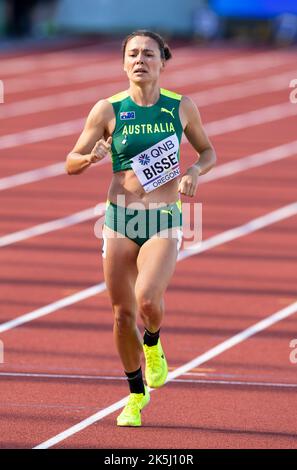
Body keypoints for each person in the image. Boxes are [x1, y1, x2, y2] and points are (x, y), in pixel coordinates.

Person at [65, 30, 216, 427]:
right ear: (123, 62)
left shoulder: (180, 107)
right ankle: (135, 396)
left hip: (163, 217)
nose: (140, 60)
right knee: (120, 315)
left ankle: (153, 344)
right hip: (120, 219)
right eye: (133, 54)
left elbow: (208, 151)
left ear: (162, 62)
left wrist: (195, 171)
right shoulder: (107, 110)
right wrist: (89, 158)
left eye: (149, 54)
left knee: (148, 300)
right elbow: (70, 161)